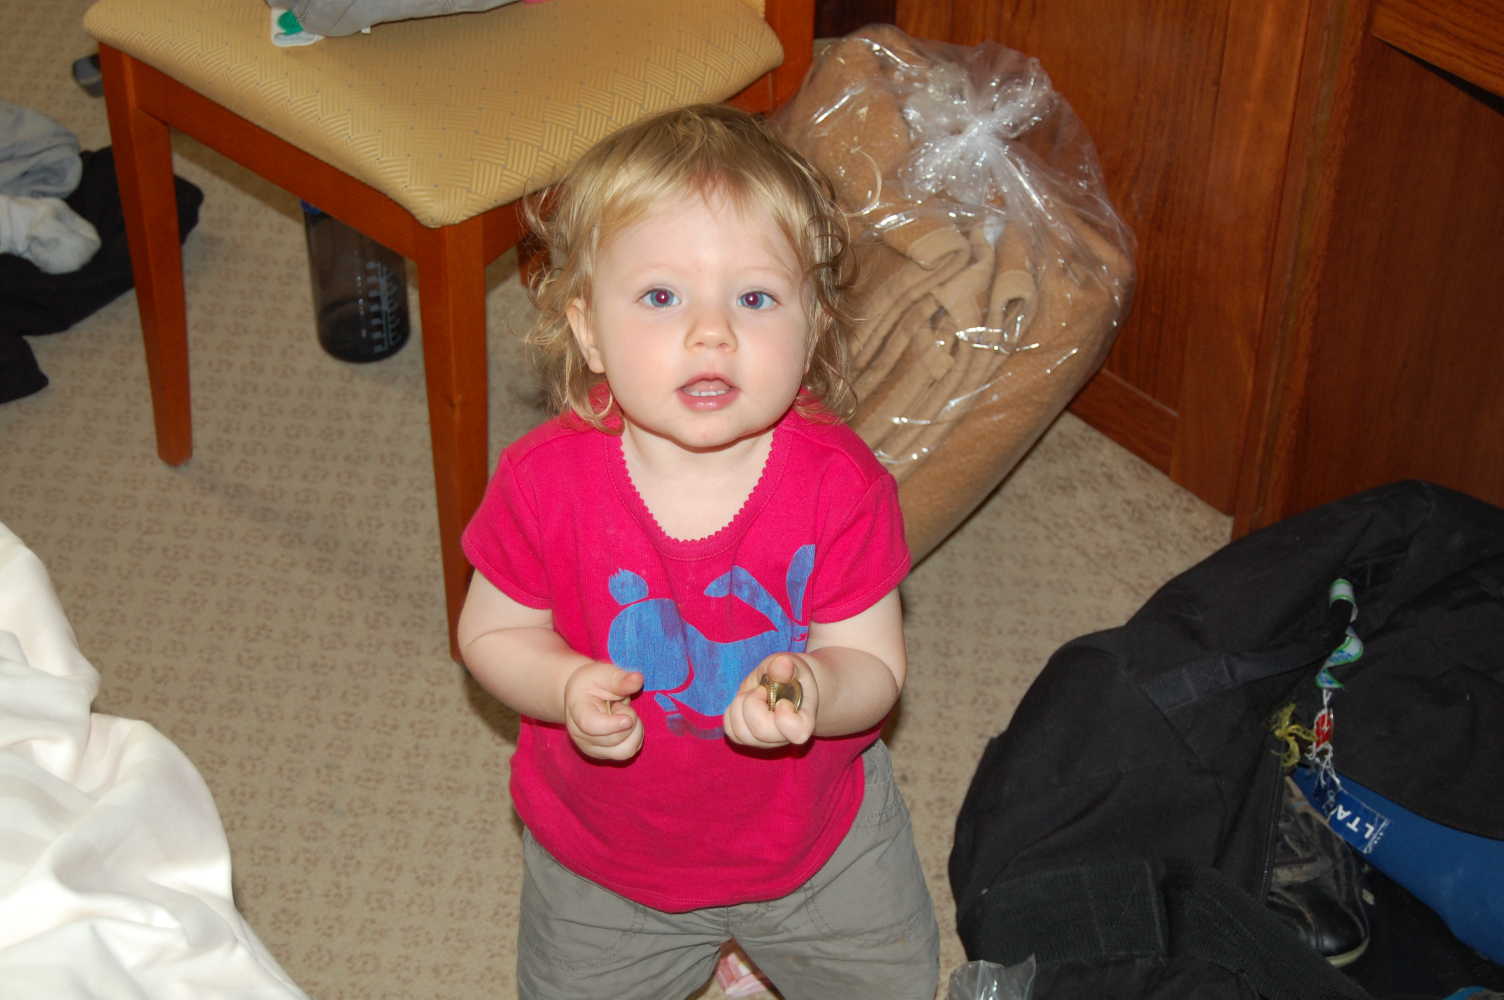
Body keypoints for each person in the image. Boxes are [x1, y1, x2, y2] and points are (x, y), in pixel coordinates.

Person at [457, 103, 940, 1000]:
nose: (711, 333)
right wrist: (562, 685)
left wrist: (814, 686)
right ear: (588, 330)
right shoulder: (541, 482)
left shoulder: (843, 486)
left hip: (815, 848)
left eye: (755, 299)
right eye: (661, 297)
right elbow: (490, 633)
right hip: (605, 862)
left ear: (812, 326)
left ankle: (749, 952)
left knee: (893, 985)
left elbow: (874, 667)